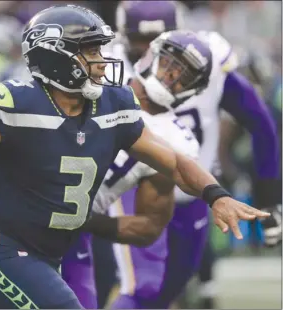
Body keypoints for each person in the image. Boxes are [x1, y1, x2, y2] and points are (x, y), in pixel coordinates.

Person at [0, 5, 269, 309]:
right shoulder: (20, 105)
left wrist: (216, 195)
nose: (103, 61)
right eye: (92, 52)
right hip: (5, 251)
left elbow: (173, 161)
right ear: (55, 55)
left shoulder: (113, 105)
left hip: (57, 252)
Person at [93, 1, 279, 309]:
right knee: (140, 288)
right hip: (130, 189)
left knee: (167, 290)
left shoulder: (207, 60)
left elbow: (259, 121)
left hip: (192, 190)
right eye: (142, 43)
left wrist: (269, 196)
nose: (164, 65)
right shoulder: (107, 65)